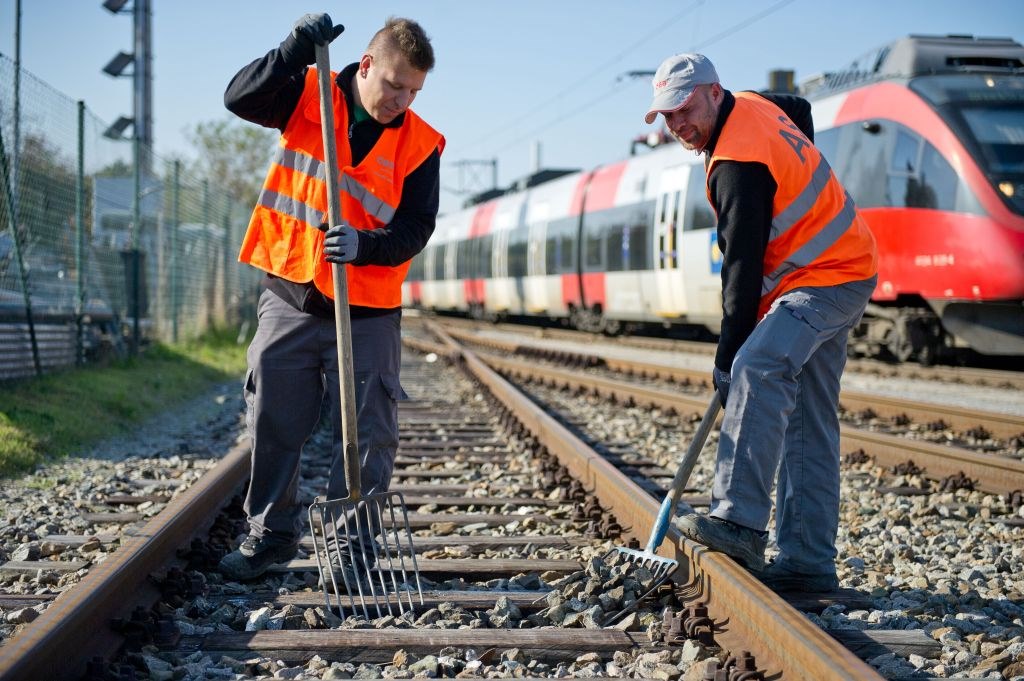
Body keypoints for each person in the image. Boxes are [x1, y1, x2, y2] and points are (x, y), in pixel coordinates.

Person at [218, 13, 444, 581]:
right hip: (290, 292)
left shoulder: (421, 144)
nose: (401, 100)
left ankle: (349, 550)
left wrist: (367, 245)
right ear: (365, 66)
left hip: (367, 310)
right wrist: (293, 48)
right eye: (394, 85)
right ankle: (269, 536)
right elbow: (239, 97)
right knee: (271, 414)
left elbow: (417, 226)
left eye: (413, 91)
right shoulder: (308, 93)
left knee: (368, 433)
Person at [643, 53, 878, 592]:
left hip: (826, 277)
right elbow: (795, 106)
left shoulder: (737, 163)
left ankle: (739, 521)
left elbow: (742, 268)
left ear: (713, 92)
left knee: (757, 365)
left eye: (684, 110)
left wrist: (728, 357)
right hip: (845, 264)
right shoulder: (753, 105)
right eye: (666, 116)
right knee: (808, 422)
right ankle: (807, 563)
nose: (678, 125)